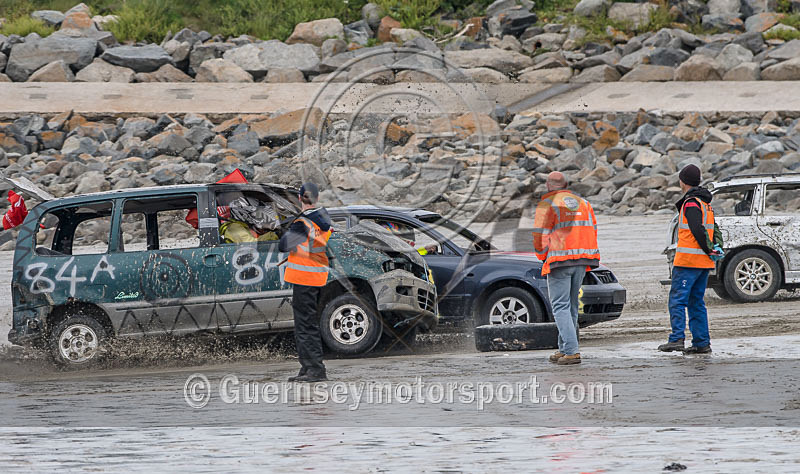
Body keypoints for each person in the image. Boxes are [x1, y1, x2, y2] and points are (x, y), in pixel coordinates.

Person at [532, 172, 600, 366]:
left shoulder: (548, 204)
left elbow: (540, 237)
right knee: (570, 306)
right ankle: (564, 348)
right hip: (582, 260)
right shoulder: (584, 203)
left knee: (560, 306)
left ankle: (571, 351)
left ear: (548, 185)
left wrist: (542, 257)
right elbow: (593, 230)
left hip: (560, 261)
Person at [658, 164, 721, 354]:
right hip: (703, 263)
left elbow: (697, 230)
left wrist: (708, 248)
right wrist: (713, 249)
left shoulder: (691, 203)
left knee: (677, 300)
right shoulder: (705, 204)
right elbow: (714, 230)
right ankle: (701, 343)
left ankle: (677, 339)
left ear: (682, 181)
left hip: (688, 262)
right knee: (696, 302)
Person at [279, 183, 333, 382]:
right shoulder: (323, 219)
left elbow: (284, 245)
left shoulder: (303, 222)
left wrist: (285, 229)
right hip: (317, 276)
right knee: (308, 324)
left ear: (300, 198)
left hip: (304, 278)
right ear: (316, 198)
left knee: (305, 326)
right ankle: (307, 367)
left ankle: (315, 369)